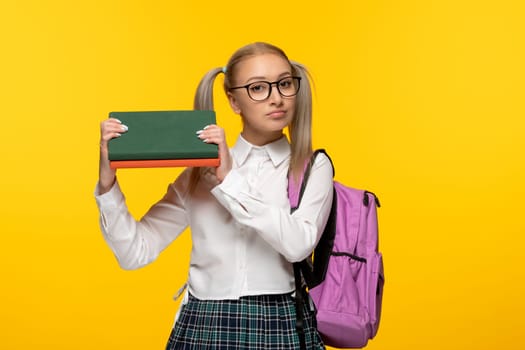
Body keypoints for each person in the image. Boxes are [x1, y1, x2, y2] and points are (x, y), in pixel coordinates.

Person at [95, 42, 334, 349]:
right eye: (258, 88)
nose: (277, 98)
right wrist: (107, 187)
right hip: (204, 321)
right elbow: (135, 253)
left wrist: (229, 181)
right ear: (234, 102)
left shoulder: (312, 166)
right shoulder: (198, 172)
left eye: (285, 84)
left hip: (281, 321)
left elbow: (298, 245)